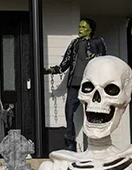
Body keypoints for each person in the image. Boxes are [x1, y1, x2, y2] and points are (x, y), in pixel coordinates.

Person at [45, 18, 107, 151]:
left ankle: (95, 143)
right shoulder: (74, 43)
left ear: (90, 29)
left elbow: (104, 59)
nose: (80, 29)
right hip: (74, 84)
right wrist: (51, 70)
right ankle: (70, 143)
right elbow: (65, 63)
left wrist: (96, 57)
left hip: (91, 85)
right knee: (69, 112)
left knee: (92, 113)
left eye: (83, 27)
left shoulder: (98, 41)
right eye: (79, 27)